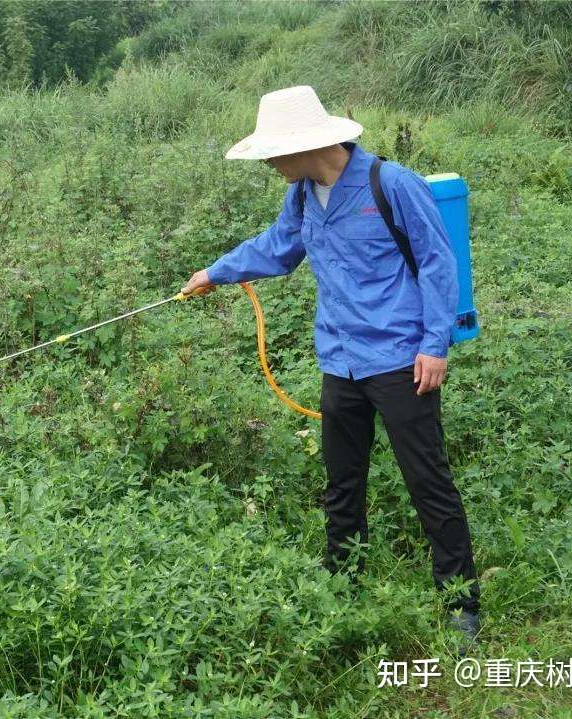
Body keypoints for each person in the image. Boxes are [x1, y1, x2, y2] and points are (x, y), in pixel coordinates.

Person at [182, 86, 481, 648]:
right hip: (339, 360)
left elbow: (439, 263)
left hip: (400, 360)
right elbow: (277, 247)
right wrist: (214, 272)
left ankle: (460, 602)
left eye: (273, 152)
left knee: (428, 481)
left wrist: (434, 345)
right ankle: (342, 581)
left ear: (305, 145)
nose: (268, 163)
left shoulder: (390, 185)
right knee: (342, 481)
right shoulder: (300, 196)